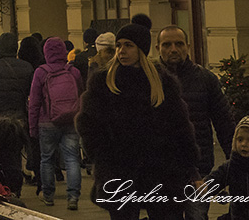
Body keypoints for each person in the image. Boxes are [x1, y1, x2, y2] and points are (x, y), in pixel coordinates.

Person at [76, 23, 200, 220]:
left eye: (128, 45)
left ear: (141, 49)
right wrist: (103, 155)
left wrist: (187, 164)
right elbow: (87, 123)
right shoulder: (104, 81)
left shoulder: (162, 81)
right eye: (118, 45)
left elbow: (180, 126)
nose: (122, 51)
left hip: (161, 171)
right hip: (119, 171)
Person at [157, 26, 237, 220]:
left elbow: (224, 123)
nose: (173, 49)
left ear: (188, 46)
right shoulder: (151, 79)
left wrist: (234, 165)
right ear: (158, 47)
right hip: (162, 169)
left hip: (199, 169)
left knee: (197, 216)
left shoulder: (205, 79)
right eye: (167, 45)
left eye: (179, 44)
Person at [28, 36, 83, 210]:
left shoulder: (41, 72)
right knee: (72, 159)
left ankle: (48, 195)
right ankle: (73, 196)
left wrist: (32, 126)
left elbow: (34, 102)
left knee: (47, 159)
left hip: (47, 122)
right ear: (64, 52)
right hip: (70, 121)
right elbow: (81, 96)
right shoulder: (73, 72)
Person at [203, 111, 249, 220]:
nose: (244, 144)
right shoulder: (232, 165)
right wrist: (204, 186)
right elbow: (217, 178)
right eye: (240, 139)